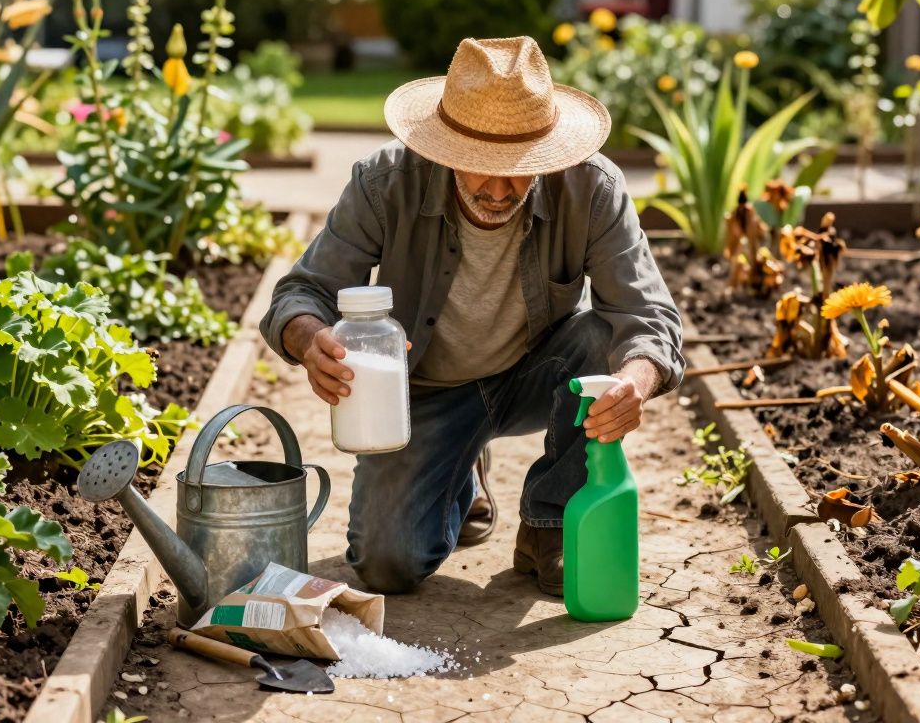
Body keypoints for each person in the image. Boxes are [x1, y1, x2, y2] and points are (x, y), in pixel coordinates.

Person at [259, 36, 683, 596]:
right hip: (422, 395)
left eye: (522, 167)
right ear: (443, 146)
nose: (502, 189)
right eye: (481, 165)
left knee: (607, 340)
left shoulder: (593, 187)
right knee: (388, 564)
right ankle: (462, 465)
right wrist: (311, 340)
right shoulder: (384, 182)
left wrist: (634, 383)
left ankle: (548, 523)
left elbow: (646, 313)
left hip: (539, 374)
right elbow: (302, 291)